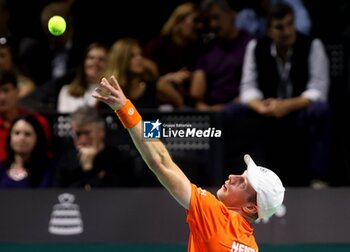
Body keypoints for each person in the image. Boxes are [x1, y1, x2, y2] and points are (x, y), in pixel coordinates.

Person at [92, 76, 285, 251]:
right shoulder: (252, 247)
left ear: (251, 208)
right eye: (240, 175)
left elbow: (160, 162)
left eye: (242, 183)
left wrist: (125, 108)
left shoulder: (215, 215)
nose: (232, 177)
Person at [239, 3, 332, 187]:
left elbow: (318, 90)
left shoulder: (312, 45)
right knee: (235, 113)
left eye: (290, 24)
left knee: (320, 110)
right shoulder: (255, 47)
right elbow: (247, 89)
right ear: (269, 31)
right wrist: (263, 107)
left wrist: (287, 105)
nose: (287, 31)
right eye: (280, 27)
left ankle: (318, 179)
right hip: (268, 110)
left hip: (299, 110)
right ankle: (247, 182)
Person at [189, 0, 255, 112]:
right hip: (210, 111)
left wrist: (226, 109)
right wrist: (203, 106)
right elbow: (196, 93)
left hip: (241, 109)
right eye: (209, 20)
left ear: (231, 14)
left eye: (216, 17)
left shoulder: (250, 44)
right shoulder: (207, 47)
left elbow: (254, 88)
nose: (213, 24)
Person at [53, 105, 137, 189]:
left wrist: (88, 168)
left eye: (87, 133)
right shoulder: (66, 160)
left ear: (101, 132)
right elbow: (58, 195)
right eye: (78, 134)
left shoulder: (119, 159)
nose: (83, 140)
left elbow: (120, 195)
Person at [143, 2, 204, 108]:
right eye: (195, 21)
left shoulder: (199, 48)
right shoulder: (158, 45)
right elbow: (147, 76)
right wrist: (169, 77)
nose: (200, 26)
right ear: (179, 22)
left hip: (191, 102)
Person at [0, 70, 52, 162]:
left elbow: (46, 156)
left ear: (17, 91)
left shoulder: (38, 121)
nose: (1, 97)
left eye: (6, 90)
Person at [0, 115, 53, 188]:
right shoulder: (2, 169)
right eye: (17, 133)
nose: (21, 138)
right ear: (10, 137)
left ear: (37, 138)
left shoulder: (49, 171)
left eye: (27, 134)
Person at [57, 42, 109, 113]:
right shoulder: (66, 91)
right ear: (84, 62)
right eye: (91, 58)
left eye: (101, 59)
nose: (95, 62)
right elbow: (62, 121)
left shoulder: (110, 94)